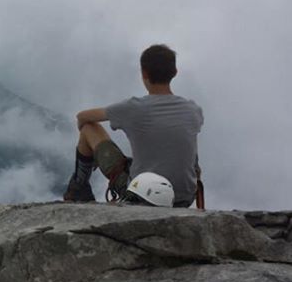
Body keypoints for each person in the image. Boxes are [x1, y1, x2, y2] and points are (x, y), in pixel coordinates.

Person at [63, 44, 204, 208]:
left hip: (142, 196)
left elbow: (82, 117)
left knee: (89, 128)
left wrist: (90, 151)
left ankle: (79, 189)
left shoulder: (133, 108)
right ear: (175, 72)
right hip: (184, 198)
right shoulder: (194, 110)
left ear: (144, 73)